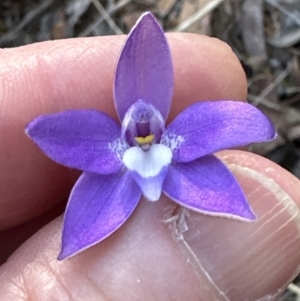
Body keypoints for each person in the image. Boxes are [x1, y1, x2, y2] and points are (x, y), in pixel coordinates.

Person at [0, 33, 299, 301]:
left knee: (238, 207)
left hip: (170, 157)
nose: (144, 133)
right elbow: (51, 136)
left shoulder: (181, 138)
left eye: (149, 130)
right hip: (120, 179)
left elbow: (240, 124)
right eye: (138, 131)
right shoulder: (104, 151)